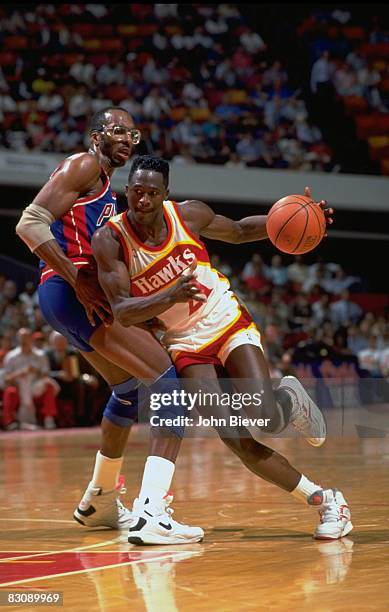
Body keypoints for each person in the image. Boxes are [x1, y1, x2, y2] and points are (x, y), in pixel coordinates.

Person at [91, 154, 352, 543]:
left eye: (151, 193)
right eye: (136, 192)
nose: (142, 200)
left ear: (166, 194)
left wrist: (298, 217)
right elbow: (123, 311)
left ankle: (289, 401)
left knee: (264, 416)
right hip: (184, 343)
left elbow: (241, 232)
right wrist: (168, 296)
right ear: (127, 190)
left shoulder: (189, 216)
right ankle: (326, 500)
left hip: (224, 319)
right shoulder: (110, 239)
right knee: (235, 438)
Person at [16, 107, 203, 545]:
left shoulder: (105, 186)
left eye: (132, 133)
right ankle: (154, 512)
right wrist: (74, 277)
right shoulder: (83, 165)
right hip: (70, 293)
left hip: (68, 298)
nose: (127, 139)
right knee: (166, 380)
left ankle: (98, 500)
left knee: (127, 390)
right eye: (117, 130)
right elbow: (29, 222)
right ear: (96, 134)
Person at [2, 327, 59, 430]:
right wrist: (20, 373)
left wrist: (36, 371)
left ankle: (48, 418)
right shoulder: (11, 356)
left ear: (31, 339)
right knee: (10, 392)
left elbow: (46, 375)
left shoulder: (40, 355)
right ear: (17, 339)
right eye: (21, 338)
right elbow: (6, 379)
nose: (23, 340)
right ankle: (10, 422)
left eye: (26, 337)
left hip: (35, 388)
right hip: (19, 387)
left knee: (48, 385)